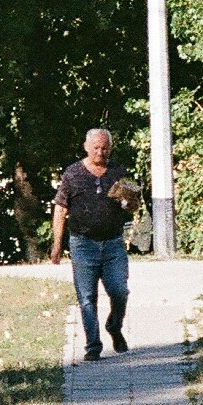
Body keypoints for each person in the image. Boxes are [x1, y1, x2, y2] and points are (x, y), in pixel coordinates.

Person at [49, 127, 140, 360]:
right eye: (96, 148)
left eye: (104, 148)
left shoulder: (117, 172)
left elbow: (131, 204)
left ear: (110, 148)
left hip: (112, 244)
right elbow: (60, 209)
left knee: (120, 291)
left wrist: (129, 204)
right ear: (86, 147)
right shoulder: (73, 174)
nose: (100, 152)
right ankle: (93, 346)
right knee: (87, 298)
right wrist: (56, 245)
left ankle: (114, 326)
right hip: (83, 244)